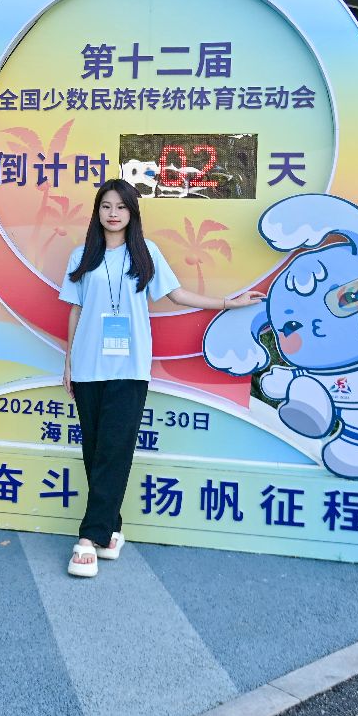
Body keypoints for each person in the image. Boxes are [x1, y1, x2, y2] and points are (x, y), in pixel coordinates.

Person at [59, 179, 263, 578]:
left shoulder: (145, 253)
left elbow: (177, 294)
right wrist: (68, 362)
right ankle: (111, 530)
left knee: (115, 448)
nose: (113, 213)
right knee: (96, 450)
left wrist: (228, 303)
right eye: (106, 206)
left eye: (121, 206)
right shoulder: (80, 256)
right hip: (87, 366)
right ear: (97, 212)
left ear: (132, 213)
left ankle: (88, 537)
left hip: (131, 366)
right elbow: (75, 309)